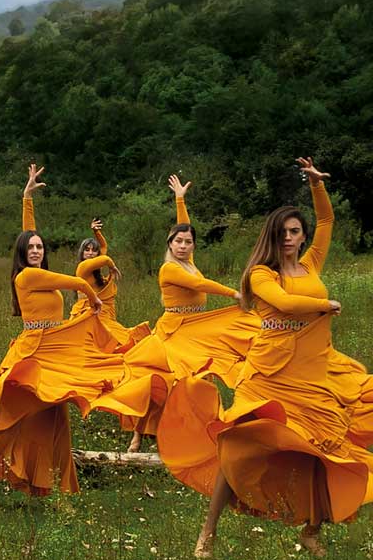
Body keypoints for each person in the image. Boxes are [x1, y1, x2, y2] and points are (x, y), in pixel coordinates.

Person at [174, 158, 373, 558]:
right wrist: (323, 306)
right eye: (282, 232)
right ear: (273, 236)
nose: (289, 239)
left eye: (295, 232)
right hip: (269, 371)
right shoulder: (261, 274)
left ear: (302, 236)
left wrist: (316, 186)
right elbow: (283, 302)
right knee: (238, 443)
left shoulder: (310, 263)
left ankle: (311, 530)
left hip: (314, 369)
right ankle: (207, 534)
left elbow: (329, 223)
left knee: (324, 444)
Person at [0, 165, 121, 511]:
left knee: (57, 421)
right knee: (5, 421)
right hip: (30, 355)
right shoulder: (26, 278)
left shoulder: (39, 269)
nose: (36, 250)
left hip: (54, 354)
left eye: (40, 247)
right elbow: (73, 282)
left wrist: (27, 198)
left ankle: (58, 494)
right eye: (30, 248)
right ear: (22, 254)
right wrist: (92, 293)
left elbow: (30, 234)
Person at [91, 176, 260, 452]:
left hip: (196, 327)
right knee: (162, 381)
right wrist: (234, 294)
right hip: (174, 330)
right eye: (178, 241)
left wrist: (180, 199)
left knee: (200, 377)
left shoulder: (189, 262)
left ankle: (195, 433)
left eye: (188, 242)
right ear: (170, 244)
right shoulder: (169, 269)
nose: (183, 245)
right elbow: (199, 285)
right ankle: (138, 434)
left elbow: (186, 227)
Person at [69, 218, 151, 351]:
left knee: (118, 337)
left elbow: (104, 247)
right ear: (82, 252)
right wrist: (112, 267)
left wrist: (96, 232)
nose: (90, 253)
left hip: (104, 312)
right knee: (109, 340)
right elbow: (106, 258)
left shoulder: (96, 265)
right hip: (90, 314)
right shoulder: (82, 267)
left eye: (93, 250)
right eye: (87, 250)